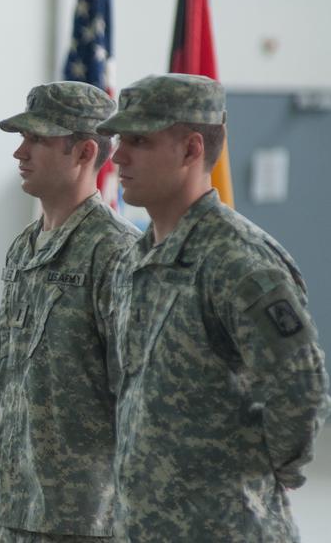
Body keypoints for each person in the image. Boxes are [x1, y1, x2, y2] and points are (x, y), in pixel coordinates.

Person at [97, 73, 330, 542]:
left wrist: (252, 477)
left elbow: (300, 389)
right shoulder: (136, 257)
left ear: (190, 149)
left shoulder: (237, 259)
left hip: (225, 528)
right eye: (120, 139)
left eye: (139, 140)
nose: (117, 155)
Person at [0, 82, 139, 543]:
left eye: (37, 139)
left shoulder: (115, 252)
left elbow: (136, 393)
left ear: (84, 152)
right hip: (18, 507)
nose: (20, 152)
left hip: (86, 519)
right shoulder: (24, 247)